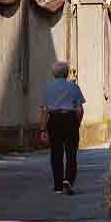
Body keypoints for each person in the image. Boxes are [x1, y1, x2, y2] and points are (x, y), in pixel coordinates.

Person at [38, 60, 85, 194]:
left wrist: (43, 130)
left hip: (54, 120)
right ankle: (68, 180)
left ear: (54, 74)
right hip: (70, 119)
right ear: (67, 73)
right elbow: (79, 109)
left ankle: (58, 185)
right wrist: (77, 123)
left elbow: (45, 111)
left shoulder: (48, 88)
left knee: (56, 153)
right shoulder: (73, 87)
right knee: (71, 152)